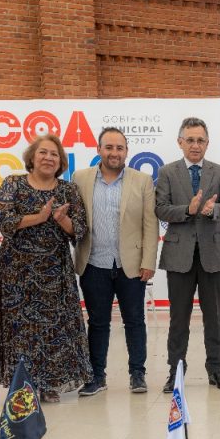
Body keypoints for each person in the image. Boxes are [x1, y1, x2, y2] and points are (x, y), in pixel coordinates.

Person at [0, 134, 92, 402]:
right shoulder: (13, 183)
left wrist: (60, 219)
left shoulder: (68, 190)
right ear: (32, 157)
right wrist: (40, 217)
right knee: (21, 328)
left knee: (54, 327)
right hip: (17, 271)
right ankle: (23, 384)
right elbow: (3, 220)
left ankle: (50, 383)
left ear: (61, 161)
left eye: (54, 154)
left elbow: (80, 229)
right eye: (43, 152)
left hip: (55, 270)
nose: (49, 158)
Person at [73, 127, 159, 396]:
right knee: (98, 322)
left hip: (130, 264)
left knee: (134, 321)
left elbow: (150, 224)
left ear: (126, 151)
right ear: (98, 149)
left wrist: (148, 261)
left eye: (119, 148)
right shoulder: (80, 178)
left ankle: (137, 374)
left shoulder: (142, 180)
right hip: (93, 263)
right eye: (108, 147)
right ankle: (96, 376)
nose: (114, 152)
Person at [155, 117, 220, 393]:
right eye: (190, 140)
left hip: (212, 254)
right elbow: (160, 208)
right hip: (179, 256)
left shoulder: (219, 172)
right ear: (180, 142)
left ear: (207, 143)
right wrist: (188, 210)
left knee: (215, 317)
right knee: (178, 318)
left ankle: (216, 370)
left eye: (200, 140)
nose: (195, 145)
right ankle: (175, 372)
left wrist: (214, 210)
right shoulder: (167, 172)